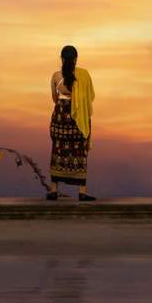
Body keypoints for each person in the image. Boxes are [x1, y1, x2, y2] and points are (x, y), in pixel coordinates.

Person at [46, 45, 95, 201]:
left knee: (58, 149)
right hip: (78, 117)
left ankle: (53, 190)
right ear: (76, 59)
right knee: (79, 150)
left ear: (61, 58)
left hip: (60, 115)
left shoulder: (55, 76)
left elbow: (54, 98)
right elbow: (89, 96)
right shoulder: (83, 75)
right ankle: (82, 191)